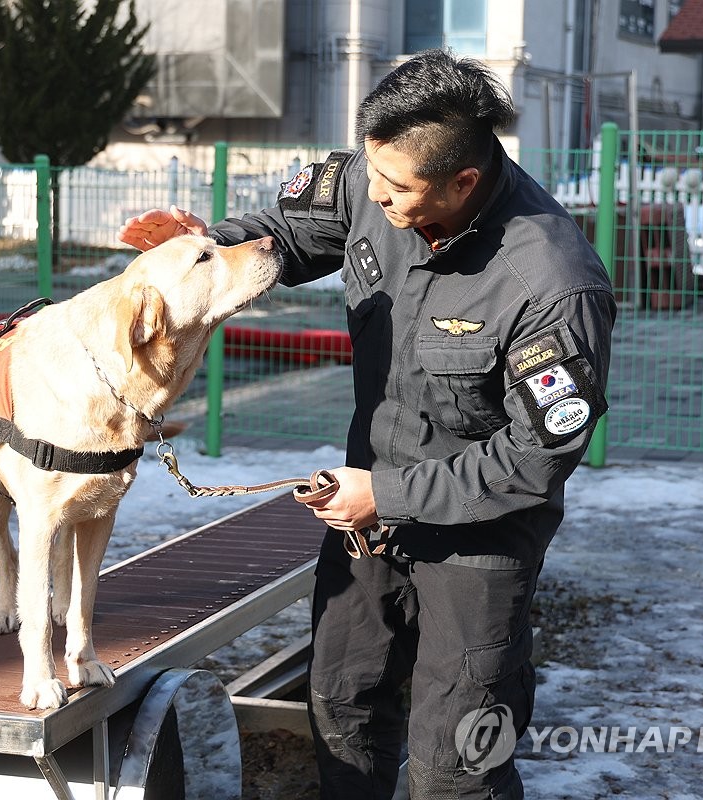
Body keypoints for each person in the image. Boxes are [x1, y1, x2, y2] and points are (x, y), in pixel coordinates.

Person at [119, 49, 615, 800]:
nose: (370, 192)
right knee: (341, 707)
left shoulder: (550, 284)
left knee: (457, 762)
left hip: (478, 543)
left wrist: (386, 493)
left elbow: (534, 460)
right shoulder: (371, 174)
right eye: (369, 172)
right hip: (366, 522)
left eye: (394, 187)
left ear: (463, 183)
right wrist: (197, 253)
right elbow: (277, 237)